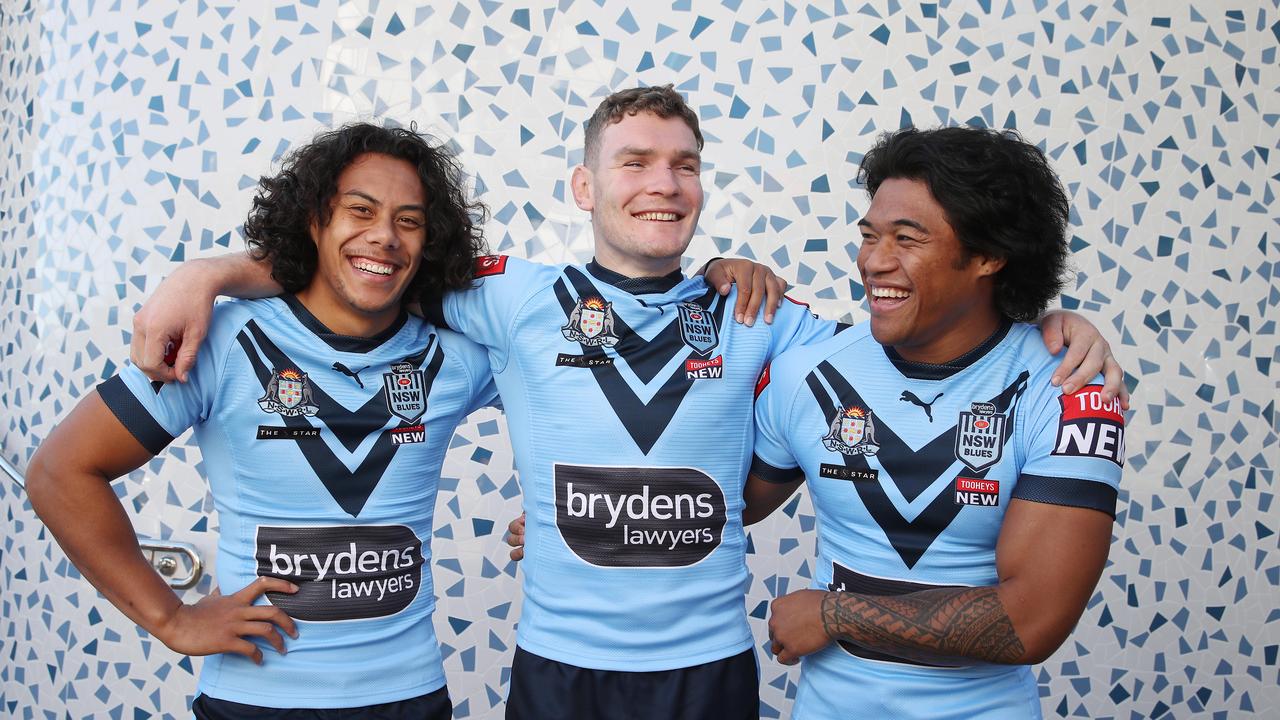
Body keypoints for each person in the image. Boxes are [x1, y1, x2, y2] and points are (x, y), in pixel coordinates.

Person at [129, 86, 1125, 719]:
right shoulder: (510, 295)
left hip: (709, 674)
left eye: (682, 165)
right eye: (635, 163)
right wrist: (212, 273)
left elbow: (896, 364)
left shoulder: (762, 311)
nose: (663, 183)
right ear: (583, 186)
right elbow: (364, 266)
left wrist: (1057, 326)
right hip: (558, 672)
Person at [27, 122, 499, 718]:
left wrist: (550, 520)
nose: (384, 237)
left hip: (409, 696)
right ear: (314, 220)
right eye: (360, 210)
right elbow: (60, 471)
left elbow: (575, 393)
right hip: (254, 700)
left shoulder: (454, 356)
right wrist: (171, 619)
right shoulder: (222, 340)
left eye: (409, 220)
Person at [747, 126, 1125, 719]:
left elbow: (1031, 621)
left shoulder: (1070, 389)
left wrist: (834, 613)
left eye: (907, 238)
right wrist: (714, 277)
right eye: (869, 236)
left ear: (988, 255)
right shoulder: (808, 372)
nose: (874, 261)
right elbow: (709, 511)